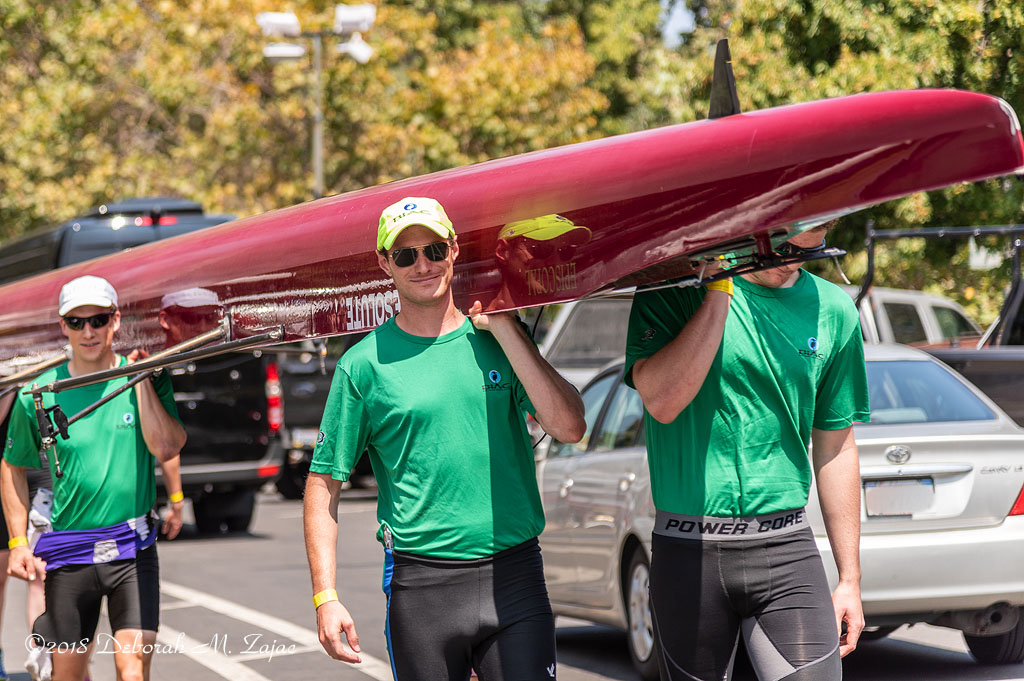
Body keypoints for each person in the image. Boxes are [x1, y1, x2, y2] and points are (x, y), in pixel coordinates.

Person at [304, 197, 586, 680]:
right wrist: (325, 597)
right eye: (406, 255)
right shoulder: (363, 366)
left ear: (454, 250)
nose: (423, 265)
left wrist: (506, 328)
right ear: (384, 264)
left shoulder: (498, 339)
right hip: (422, 587)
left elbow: (570, 427)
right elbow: (323, 485)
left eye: (434, 249)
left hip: (514, 576)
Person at [625, 226, 869, 681]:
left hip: (786, 546)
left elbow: (836, 446)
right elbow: (661, 401)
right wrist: (717, 291)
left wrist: (849, 578)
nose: (793, 261)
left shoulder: (834, 310)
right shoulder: (673, 291)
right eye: (785, 247)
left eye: (808, 251)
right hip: (688, 549)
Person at [1, 275, 186, 681]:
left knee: (132, 671)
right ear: (63, 325)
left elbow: (167, 447)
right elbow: (12, 465)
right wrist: (17, 542)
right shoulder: (39, 393)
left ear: (116, 322)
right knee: (67, 676)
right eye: (77, 321)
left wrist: (140, 382)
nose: (89, 331)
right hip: (69, 556)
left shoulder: (145, 376)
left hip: (132, 551)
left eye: (99, 320)